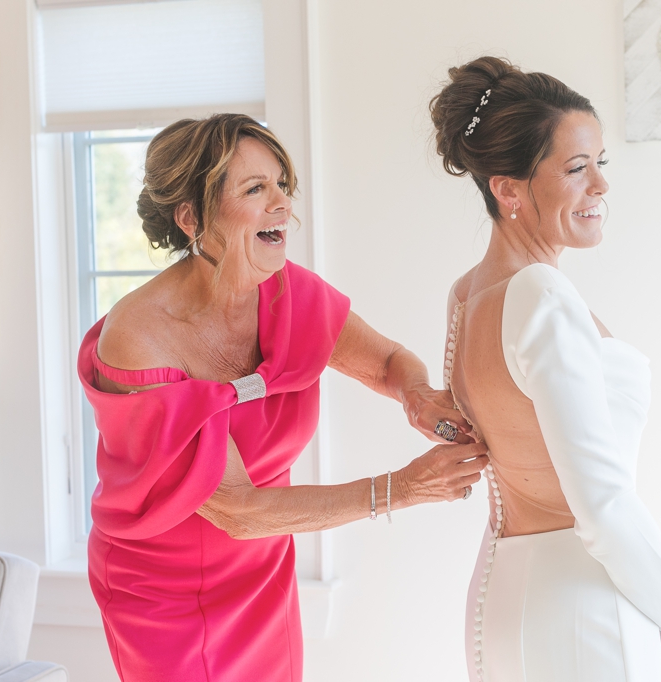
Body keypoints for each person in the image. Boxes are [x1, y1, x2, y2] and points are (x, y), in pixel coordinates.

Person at [76, 114, 488, 682]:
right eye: (255, 189)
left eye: (281, 184)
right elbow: (236, 510)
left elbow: (387, 361)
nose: (282, 205)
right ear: (192, 218)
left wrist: (417, 396)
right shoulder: (139, 339)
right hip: (162, 590)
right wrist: (404, 488)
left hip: (261, 574)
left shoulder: (287, 292)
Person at [429, 57, 661, 681]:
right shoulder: (539, 294)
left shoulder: (467, 296)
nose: (600, 186)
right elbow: (598, 501)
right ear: (508, 190)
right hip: (583, 603)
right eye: (576, 169)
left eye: (600, 163)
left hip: (502, 591)